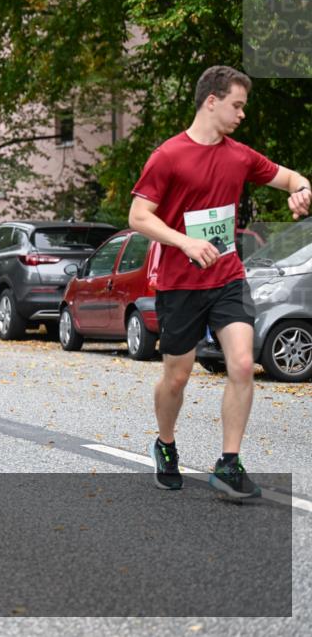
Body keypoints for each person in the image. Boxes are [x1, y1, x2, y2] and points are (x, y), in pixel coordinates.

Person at [129, 65, 311, 499]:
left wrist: (301, 188)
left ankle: (228, 464)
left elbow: (289, 176)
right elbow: (138, 217)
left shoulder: (240, 155)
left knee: (244, 364)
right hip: (180, 283)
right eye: (237, 105)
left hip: (227, 277)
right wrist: (185, 243)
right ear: (212, 101)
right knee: (177, 376)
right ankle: (166, 444)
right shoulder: (168, 156)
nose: (241, 114)